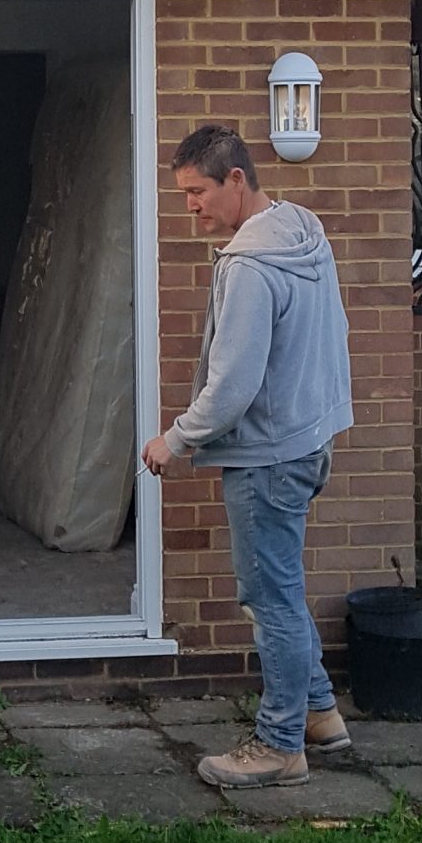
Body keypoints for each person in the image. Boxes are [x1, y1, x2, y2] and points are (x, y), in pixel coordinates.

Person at [142, 123, 354, 789]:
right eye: (182, 194)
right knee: (281, 588)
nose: (190, 206)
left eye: (196, 191)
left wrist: (171, 440)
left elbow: (232, 386)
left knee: (272, 598)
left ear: (236, 180)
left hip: (267, 456)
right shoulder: (302, 231)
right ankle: (319, 713)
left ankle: (279, 746)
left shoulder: (251, 267)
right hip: (307, 440)